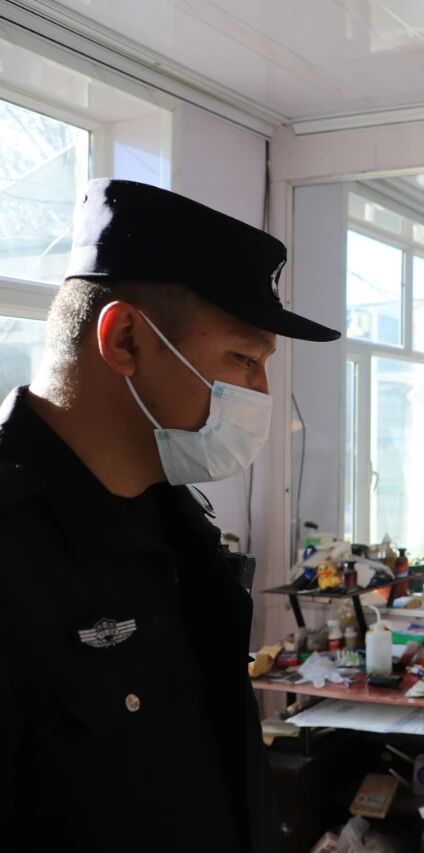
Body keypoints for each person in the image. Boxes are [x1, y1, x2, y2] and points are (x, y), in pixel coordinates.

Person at [0, 179, 340, 851]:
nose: (261, 392)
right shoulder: (14, 551)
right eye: (244, 358)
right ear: (125, 338)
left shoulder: (180, 529)